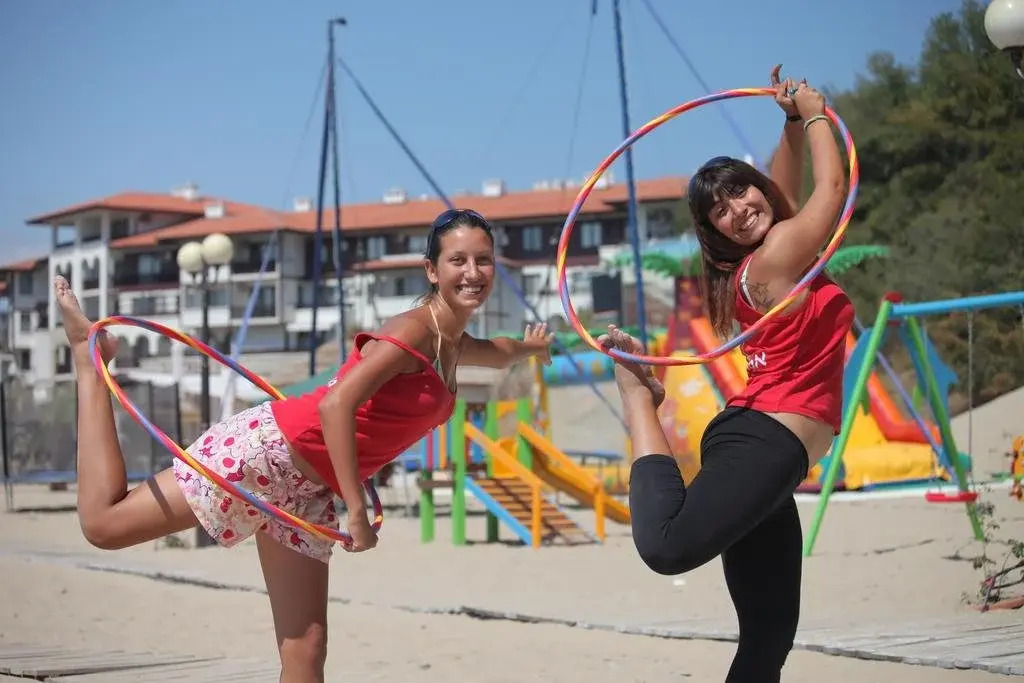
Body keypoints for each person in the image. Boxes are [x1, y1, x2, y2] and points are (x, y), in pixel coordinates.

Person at [55, 207, 554, 683]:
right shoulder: (413, 331)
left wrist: (531, 347)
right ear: (431, 270)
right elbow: (336, 406)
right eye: (458, 260)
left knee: (306, 649)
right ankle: (88, 360)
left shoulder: (453, 343)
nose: (473, 273)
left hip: (308, 491)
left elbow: (498, 352)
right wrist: (356, 509)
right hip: (270, 453)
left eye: (483, 259)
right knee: (103, 526)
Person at [606, 67, 852, 682]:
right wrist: (816, 113)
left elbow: (780, 193)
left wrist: (790, 125)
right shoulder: (774, 259)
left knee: (769, 638)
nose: (739, 210)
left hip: (769, 451)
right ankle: (639, 398)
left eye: (742, 192)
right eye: (720, 210)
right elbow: (832, 187)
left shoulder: (770, 253)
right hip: (764, 441)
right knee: (667, 547)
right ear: (712, 229)